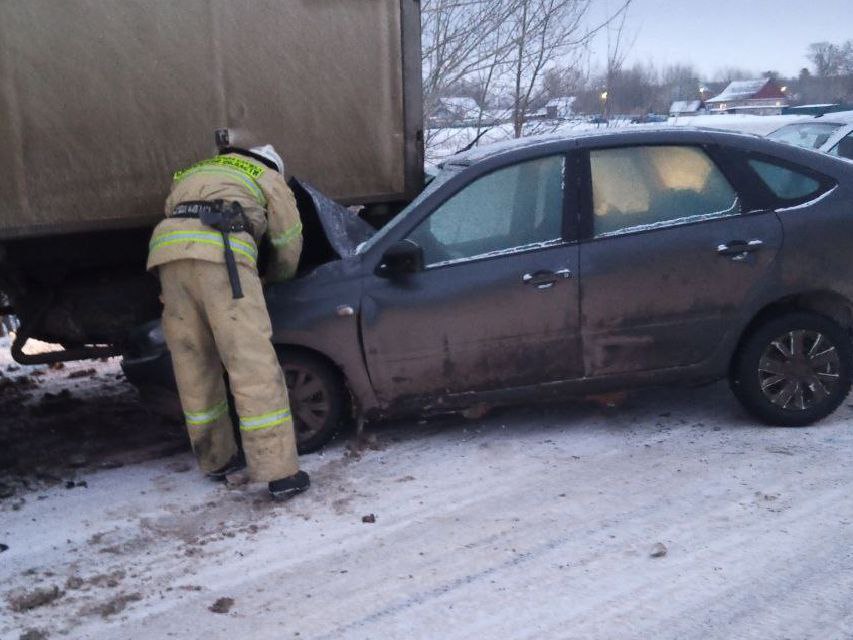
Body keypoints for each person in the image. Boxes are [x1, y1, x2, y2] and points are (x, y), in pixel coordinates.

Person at [147, 141, 309, 500]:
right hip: (222, 253)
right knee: (250, 362)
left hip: (168, 257)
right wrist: (278, 279)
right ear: (272, 164)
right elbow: (287, 239)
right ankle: (279, 472)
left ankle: (216, 459)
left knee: (194, 361)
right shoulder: (267, 176)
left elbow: (174, 210)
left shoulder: (193, 171)